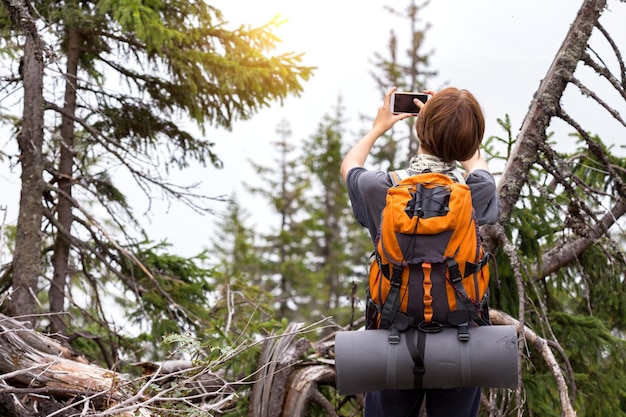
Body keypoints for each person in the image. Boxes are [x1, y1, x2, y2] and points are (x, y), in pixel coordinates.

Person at [340, 86, 501, 417]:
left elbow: (349, 165)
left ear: (418, 128)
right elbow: (478, 163)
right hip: (462, 338)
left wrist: (378, 127)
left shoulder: (380, 189)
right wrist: (456, 128)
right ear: (471, 142)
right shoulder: (477, 191)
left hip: (391, 337)